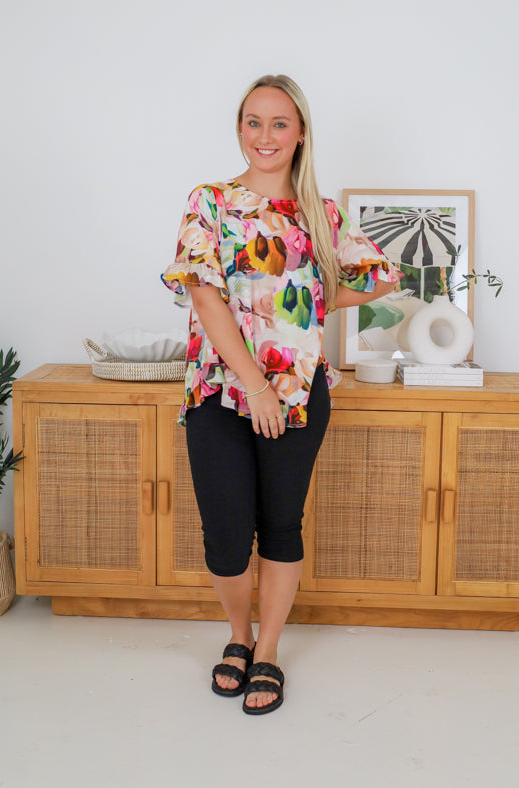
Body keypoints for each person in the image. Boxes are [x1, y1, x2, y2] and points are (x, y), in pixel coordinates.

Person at [161, 74, 402, 715]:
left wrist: (314, 296)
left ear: (299, 134)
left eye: (279, 123)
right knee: (225, 535)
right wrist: (256, 386)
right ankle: (238, 636)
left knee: (281, 526)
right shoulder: (210, 202)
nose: (264, 136)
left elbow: (381, 277)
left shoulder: (320, 213)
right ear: (239, 129)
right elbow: (206, 297)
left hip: (300, 393)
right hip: (221, 389)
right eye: (253, 122)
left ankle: (266, 649)